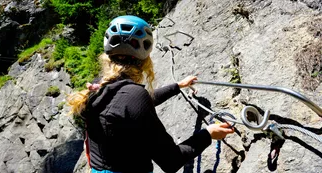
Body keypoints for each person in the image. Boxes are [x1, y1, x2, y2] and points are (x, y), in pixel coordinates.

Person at [67, 15, 234, 173]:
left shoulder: (99, 87)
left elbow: (130, 108)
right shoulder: (133, 96)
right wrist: (208, 134)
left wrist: (177, 86)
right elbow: (171, 161)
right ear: (145, 60)